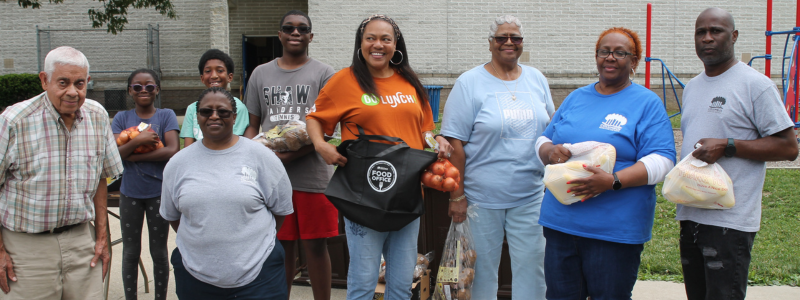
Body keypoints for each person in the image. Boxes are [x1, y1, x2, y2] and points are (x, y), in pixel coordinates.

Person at [306, 14, 453, 300]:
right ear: (360, 43)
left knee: (401, 283)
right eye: (370, 38)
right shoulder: (345, 80)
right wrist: (321, 145)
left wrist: (437, 140)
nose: (378, 45)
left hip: (406, 194)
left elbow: (425, 130)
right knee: (363, 282)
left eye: (386, 39)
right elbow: (315, 118)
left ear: (396, 44)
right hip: (364, 195)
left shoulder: (410, 82)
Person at [535, 27, 676, 300]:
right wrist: (549, 151)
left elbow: (663, 159)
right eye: (604, 51)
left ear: (634, 61)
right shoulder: (577, 97)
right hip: (561, 224)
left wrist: (613, 182)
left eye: (620, 53)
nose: (610, 57)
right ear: (596, 56)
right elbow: (543, 139)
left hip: (613, 230)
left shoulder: (646, 103)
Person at [677, 8, 798, 300]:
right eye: (701, 32)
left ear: (733, 36)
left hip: (729, 224)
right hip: (690, 215)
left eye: (716, 31)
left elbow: (789, 147)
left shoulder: (756, 85)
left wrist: (728, 145)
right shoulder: (692, 87)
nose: (707, 38)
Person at [440, 15, 553, 300]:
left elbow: (551, 130)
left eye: (516, 37)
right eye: (502, 37)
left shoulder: (537, 79)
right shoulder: (469, 83)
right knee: (479, 274)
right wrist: (457, 196)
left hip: (531, 196)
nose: (509, 42)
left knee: (534, 270)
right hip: (481, 198)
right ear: (490, 43)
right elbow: (455, 143)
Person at [0, 46, 124, 299]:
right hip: (25, 249)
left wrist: (102, 237)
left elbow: (102, 177)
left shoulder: (97, 116)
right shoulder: (14, 121)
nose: (72, 92)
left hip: (82, 242)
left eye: (80, 83)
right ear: (44, 80)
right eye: (63, 82)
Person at [160, 87, 293, 299]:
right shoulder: (178, 164)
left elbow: (281, 211)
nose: (214, 116)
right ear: (197, 117)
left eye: (222, 111)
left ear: (234, 117)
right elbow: (174, 217)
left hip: (260, 276)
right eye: (206, 111)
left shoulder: (262, 157)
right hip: (195, 277)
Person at [242, 10, 337, 300]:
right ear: (280, 34)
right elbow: (252, 125)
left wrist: (289, 157)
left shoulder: (324, 73)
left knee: (316, 246)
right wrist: (254, 154)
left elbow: (328, 129)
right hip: (271, 178)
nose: (295, 33)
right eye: (289, 28)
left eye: (302, 29)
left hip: (312, 177)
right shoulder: (260, 73)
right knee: (279, 248)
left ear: (311, 36)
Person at [111, 69, 180, 300]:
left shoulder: (166, 115)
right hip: (130, 193)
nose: (143, 90)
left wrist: (132, 155)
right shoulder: (121, 118)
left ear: (157, 90)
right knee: (130, 252)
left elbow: (172, 150)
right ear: (129, 91)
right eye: (137, 86)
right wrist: (139, 140)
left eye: (149, 86)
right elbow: (114, 153)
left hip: (158, 193)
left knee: (159, 252)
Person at [180, 49, 249, 147]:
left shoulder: (239, 107)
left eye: (220, 70)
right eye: (208, 71)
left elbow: (238, 144)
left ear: (230, 77)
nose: (214, 76)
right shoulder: (192, 109)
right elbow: (188, 147)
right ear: (202, 78)